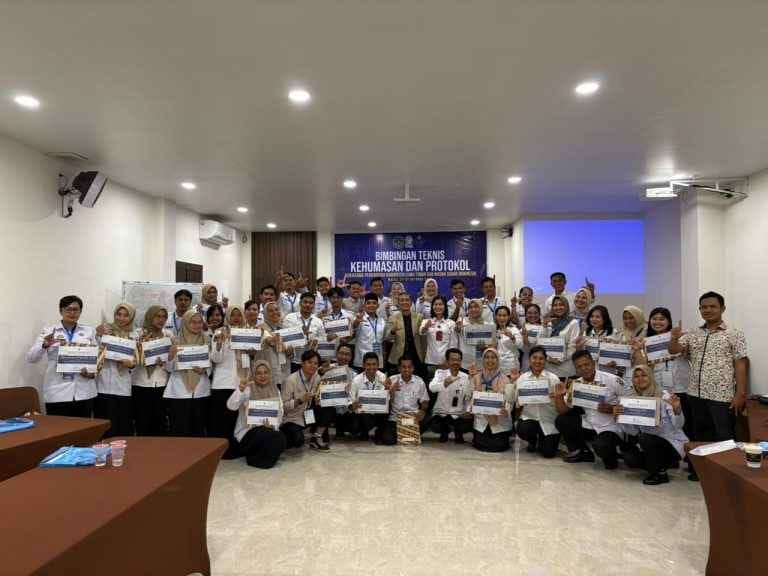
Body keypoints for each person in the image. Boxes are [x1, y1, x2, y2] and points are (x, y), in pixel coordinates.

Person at [669, 291, 748, 480]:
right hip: (695, 393)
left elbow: (740, 363)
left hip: (721, 395)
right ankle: (702, 472)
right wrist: (674, 337)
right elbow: (674, 350)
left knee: (723, 435)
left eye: (713, 306)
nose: (708, 310)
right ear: (700, 310)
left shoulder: (734, 334)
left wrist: (740, 393)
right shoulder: (693, 334)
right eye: (704, 307)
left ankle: (725, 474)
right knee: (700, 433)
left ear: (722, 308)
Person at [553, 350, 627, 469]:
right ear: (576, 369)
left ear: (593, 363)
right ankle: (582, 452)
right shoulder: (576, 384)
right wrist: (559, 397)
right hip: (590, 425)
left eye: (586, 364)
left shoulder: (612, 380)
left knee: (606, 456)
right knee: (562, 420)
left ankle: (613, 454)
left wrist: (612, 408)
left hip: (610, 428)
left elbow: (631, 402)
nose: (584, 369)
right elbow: (562, 410)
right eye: (579, 366)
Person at [616, 365, 688, 485]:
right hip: (649, 444)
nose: (640, 379)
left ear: (651, 377)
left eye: (644, 375)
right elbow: (633, 431)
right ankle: (661, 465)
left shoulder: (665, 396)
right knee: (630, 458)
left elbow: (678, 426)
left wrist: (677, 410)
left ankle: (659, 473)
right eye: (636, 376)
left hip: (672, 443)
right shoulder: (632, 400)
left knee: (645, 438)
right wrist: (619, 417)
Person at [27, 295, 97, 417]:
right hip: (57, 391)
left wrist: (92, 373)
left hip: (84, 391)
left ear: (80, 311)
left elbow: (96, 358)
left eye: (76, 309)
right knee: (59, 427)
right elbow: (31, 358)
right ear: (61, 311)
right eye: (68, 309)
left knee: (84, 427)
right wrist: (44, 345)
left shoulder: (88, 331)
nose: (72, 313)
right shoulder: (49, 331)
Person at [640, 307, 692, 438]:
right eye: (654, 319)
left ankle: (686, 446)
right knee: (666, 420)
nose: (657, 322)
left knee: (685, 419)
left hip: (681, 385)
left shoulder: (678, 336)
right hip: (659, 386)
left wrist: (679, 339)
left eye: (662, 319)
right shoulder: (646, 341)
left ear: (668, 321)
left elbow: (688, 354)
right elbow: (643, 367)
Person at [227, 360, 287, 469]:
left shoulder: (275, 389)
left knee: (281, 438)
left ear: (270, 373)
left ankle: (258, 457)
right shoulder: (248, 389)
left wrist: (273, 426)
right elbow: (231, 406)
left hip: (268, 430)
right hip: (248, 433)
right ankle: (256, 460)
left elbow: (280, 413)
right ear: (254, 374)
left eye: (265, 372)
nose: (263, 376)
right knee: (265, 433)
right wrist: (240, 389)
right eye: (259, 373)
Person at [209, 306, 249, 458]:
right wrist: (220, 344)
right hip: (223, 382)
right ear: (228, 317)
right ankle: (220, 450)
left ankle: (234, 449)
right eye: (233, 315)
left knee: (236, 419)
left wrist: (252, 352)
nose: (236, 318)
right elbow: (215, 359)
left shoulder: (248, 333)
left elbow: (251, 359)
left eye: (239, 315)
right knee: (221, 419)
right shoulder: (220, 332)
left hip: (240, 382)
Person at [165, 310, 211, 437]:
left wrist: (204, 370)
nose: (197, 325)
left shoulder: (207, 340)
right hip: (179, 391)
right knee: (180, 429)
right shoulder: (175, 341)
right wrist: (170, 357)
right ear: (185, 323)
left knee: (198, 428)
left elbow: (212, 364)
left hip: (201, 391)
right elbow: (168, 368)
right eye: (193, 322)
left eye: (199, 322)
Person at [95, 303, 137, 437]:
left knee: (122, 425)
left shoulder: (135, 335)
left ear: (131, 317)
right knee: (104, 426)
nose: (121, 318)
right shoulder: (105, 332)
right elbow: (94, 353)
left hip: (123, 386)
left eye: (126, 315)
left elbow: (137, 361)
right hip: (103, 385)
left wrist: (131, 364)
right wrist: (98, 334)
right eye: (119, 314)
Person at [515, 345, 562, 457]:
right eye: (534, 358)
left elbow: (560, 404)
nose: (537, 361)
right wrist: (521, 400)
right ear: (529, 359)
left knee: (548, 453)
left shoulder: (553, 379)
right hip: (529, 418)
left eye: (541, 358)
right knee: (522, 428)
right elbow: (517, 403)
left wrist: (557, 397)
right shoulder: (522, 378)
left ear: (545, 360)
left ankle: (543, 440)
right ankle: (532, 440)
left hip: (548, 420)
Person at [132, 306, 172, 436]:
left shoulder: (168, 335)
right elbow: (132, 358)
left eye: (164, 317)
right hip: (141, 383)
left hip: (161, 384)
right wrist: (141, 346)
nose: (161, 320)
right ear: (150, 316)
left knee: (160, 422)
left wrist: (165, 363)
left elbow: (172, 361)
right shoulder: (138, 334)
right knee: (142, 422)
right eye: (157, 316)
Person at [470, 348, 515, 452]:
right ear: (483, 360)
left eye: (493, 357)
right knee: (481, 444)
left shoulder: (505, 379)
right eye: (487, 357)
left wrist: (506, 410)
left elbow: (510, 401)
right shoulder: (476, 377)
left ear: (498, 360)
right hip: (482, 419)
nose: (490, 360)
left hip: (500, 420)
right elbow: (469, 397)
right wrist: (471, 406)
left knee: (498, 445)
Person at [380, 356, 431, 445]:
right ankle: (407, 434)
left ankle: (406, 434)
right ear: (399, 368)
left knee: (428, 419)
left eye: (409, 367)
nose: (407, 369)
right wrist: (391, 391)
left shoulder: (419, 381)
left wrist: (422, 410)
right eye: (404, 367)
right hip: (395, 418)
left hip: (413, 417)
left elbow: (425, 401)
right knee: (388, 440)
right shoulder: (391, 380)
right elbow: (384, 403)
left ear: (413, 368)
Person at [280, 350, 322, 449]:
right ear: (302, 363)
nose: (313, 366)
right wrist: (300, 400)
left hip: (307, 415)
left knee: (328, 408)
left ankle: (316, 437)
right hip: (292, 418)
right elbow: (283, 407)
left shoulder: (317, 378)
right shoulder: (290, 380)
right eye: (309, 362)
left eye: (315, 363)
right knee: (298, 442)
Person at [429, 348, 473, 443]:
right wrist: (444, 384)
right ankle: (444, 431)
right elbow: (432, 388)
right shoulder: (440, 373)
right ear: (447, 361)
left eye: (458, 360)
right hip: (441, 413)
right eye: (453, 359)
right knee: (435, 425)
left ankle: (458, 432)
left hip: (458, 414)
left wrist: (468, 410)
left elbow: (468, 397)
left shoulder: (466, 377)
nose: (456, 362)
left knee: (468, 424)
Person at [348, 352, 389, 442]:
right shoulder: (356, 380)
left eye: (374, 364)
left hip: (378, 413)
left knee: (387, 408)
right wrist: (353, 405)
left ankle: (379, 431)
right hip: (362, 414)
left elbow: (386, 399)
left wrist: (388, 390)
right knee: (354, 427)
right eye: (368, 364)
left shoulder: (383, 377)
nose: (371, 367)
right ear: (363, 365)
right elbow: (350, 402)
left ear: (378, 365)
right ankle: (364, 431)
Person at [384, 292, 426, 376]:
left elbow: (423, 338)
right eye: (402, 300)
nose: (404, 302)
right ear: (398, 303)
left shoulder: (419, 317)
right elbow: (387, 338)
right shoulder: (393, 318)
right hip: (398, 356)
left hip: (416, 356)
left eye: (407, 300)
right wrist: (392, 331)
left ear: (411, 302)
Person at [324, 343, 359, 438]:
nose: (343, 357)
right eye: (341, 353)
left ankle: (342, 427)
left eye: (347, 354)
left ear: (351, 357)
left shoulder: (355, 374)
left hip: (346, 408)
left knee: (355, 427)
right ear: (336, 354)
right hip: (330, 406)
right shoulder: (327, 369)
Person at [284, 292, 325, 372]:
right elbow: (285, 338)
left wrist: (315, 342)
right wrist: (300, 334)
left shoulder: (318, 321)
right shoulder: (289, 318)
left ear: (314, 305)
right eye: (305, 302)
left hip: (311, 362)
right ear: (300, 303)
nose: (308, 305)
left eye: (311, 303)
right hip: (294, 361)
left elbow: (322, 339)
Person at [542, 296, 580, 379]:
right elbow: (541, 342)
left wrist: (561, 359)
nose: (558, 307)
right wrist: (544, 325)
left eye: (561, 304)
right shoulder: (549, 322)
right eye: (555, 305)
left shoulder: (573, 322)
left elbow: (572, 346)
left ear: (566, 306)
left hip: (565, 368)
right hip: (548, 367)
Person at [419, 295, 456, 381]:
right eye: (435, 304)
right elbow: (421, 332)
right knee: (431, 385)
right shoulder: (426, 321)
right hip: (430, 361)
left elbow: (453, 344)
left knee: (445, 386)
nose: (438, 307)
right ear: (432, 307)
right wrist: (426, 327)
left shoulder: (451, 323)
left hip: (445, 362)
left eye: (440, 304)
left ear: (445, 307)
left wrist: (448, 360)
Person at [456, 299, 496, 371]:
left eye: (476, 307)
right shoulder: (462, 322)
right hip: (464, 364)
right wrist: (457, 329)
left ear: (481, 308)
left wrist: (485, 347)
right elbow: (456, 334)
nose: (473, 309)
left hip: (481, 365)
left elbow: (492, 347)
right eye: (470, 307)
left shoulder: (488, 325)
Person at [259, 301, 291, 389]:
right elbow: (270, 341)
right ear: (265, 314)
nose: (275, 313)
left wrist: (290, 351)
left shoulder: (286, 328)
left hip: (284, 371)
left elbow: (291, 352)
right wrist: (275, 341)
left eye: (277, 309)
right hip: (267, 373)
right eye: (271, 311)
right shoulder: (260, 328)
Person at [352, 292, 387, 369]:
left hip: (378, 361)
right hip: (362, 361)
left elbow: (383, 340)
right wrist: (356, 323)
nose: (371, 305)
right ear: (364, 306)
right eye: (368, 303)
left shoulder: (382, 321)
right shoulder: (359, 318)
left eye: (374, 303)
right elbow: (353, 329)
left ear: (378, 305)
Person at [494, 305, 522, 378]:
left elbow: (520, 345)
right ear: (496, 317)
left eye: (504, 315)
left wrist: (512, 337)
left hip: (511, 367)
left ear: (509, 317)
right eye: (499, 315)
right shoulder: (493, 330)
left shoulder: (513, 329)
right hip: (496, 367)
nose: (502, 318)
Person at [520, 303, 543, 372]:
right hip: (527, 362)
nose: (533, 315)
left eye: (535, 313)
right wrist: (525, 337)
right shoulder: (523, 329)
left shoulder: (545, 327)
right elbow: (524, 349)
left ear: (539, 314)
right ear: (525, 315)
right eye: (529, 313)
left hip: (542, 362)